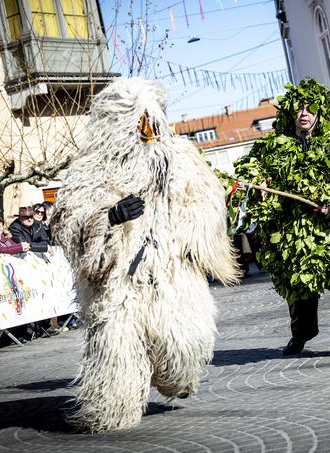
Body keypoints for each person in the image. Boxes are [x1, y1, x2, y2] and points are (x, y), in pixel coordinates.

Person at [51, 77, 239, 432]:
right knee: (117, 351)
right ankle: (112, 410)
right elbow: (65, 222)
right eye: (138, 119)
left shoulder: (181, 157)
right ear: (117, 122)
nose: (146, 129)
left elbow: (208, 200)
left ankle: (175, 377)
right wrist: (109, 217)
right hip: (118, 284)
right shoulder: (90, 169)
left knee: (182, 349)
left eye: (152, 119)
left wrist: (187, 216)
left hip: (170, 274)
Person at [234, 79, 330, 359]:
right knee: (299, 286)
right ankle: (301, 334)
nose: (304, 113)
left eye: (310, 108)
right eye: (299, 108)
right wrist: (260, 184)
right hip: (293, 231)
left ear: (319, 113)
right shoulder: (271, 149)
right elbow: (252, 177)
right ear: (290, 113)